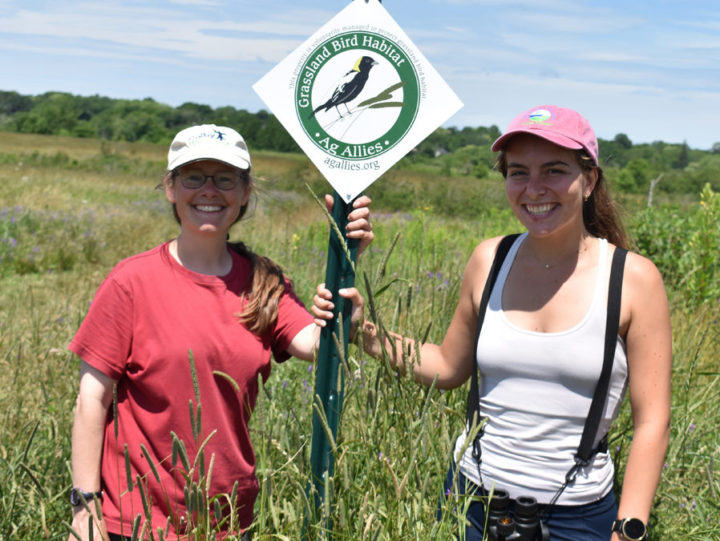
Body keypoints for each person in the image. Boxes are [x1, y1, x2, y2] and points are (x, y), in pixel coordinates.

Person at [313, 105, 671, 540]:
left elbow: (652, 420)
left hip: (578, 517)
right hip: (472, 503)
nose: (534, 188)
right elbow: (447, 366)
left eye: (554, 170)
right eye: (518, 172)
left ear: (590, 179)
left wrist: (629, 529)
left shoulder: (632, 279)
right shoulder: (490, 259)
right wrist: (362, 333)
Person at [67, 124, 373, 541]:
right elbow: (92, 399)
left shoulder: (263, 283)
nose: (209, 190)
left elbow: (317, 345)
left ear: (245, 192)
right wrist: (85, 510)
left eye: (225, 179)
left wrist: (346, 265)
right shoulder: (131, 282)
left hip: (227, 520)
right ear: (171, 188)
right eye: (193, 177)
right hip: (136, 520)